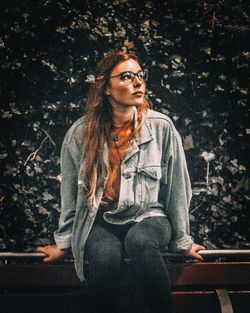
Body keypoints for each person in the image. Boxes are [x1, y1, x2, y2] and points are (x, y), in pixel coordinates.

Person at [37, 51, 205, 313]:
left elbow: (177, 189)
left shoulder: (161, 128)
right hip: (101, 220)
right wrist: (65, 242)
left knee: (139, 241)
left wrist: (183, 240)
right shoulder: (81, 134)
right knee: (104, 256)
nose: (137, 82)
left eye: (139, 75)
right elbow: (69, 194)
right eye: (126, 77)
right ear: (105, 87)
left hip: (149, 217)